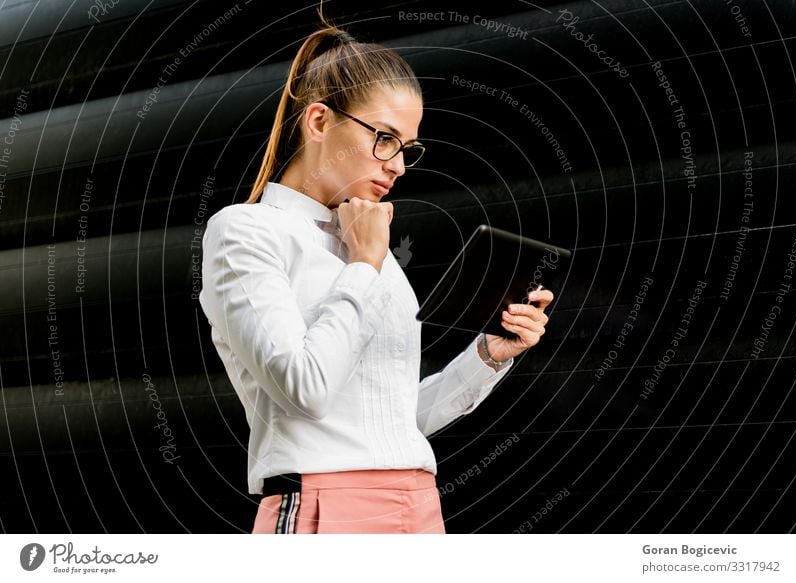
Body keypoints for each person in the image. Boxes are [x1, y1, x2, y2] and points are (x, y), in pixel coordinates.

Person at [198, 16, 553, 534]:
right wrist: (363, 263)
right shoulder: (245, 232)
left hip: (418, 503)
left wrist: (487, 356)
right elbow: (306, 389)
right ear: (319, 122)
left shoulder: (371, 247)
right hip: (324, 501)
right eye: (384, 138)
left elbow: (394, 420)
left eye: (408, 147)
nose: (399, 165)